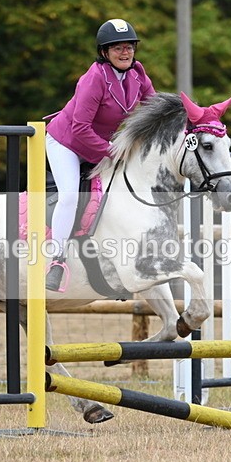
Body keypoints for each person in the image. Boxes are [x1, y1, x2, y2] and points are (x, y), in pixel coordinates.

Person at [43, 18, 156, 292]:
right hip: (66, 143)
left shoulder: (137, 73)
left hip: (99, 144)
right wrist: (111, 152)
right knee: (70, 196)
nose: (126, 52)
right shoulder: (93, 79)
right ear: (105, 52)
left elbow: (154, 107)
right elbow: (80, 128)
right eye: (118, 48)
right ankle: (56, 261)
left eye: (129, 46)